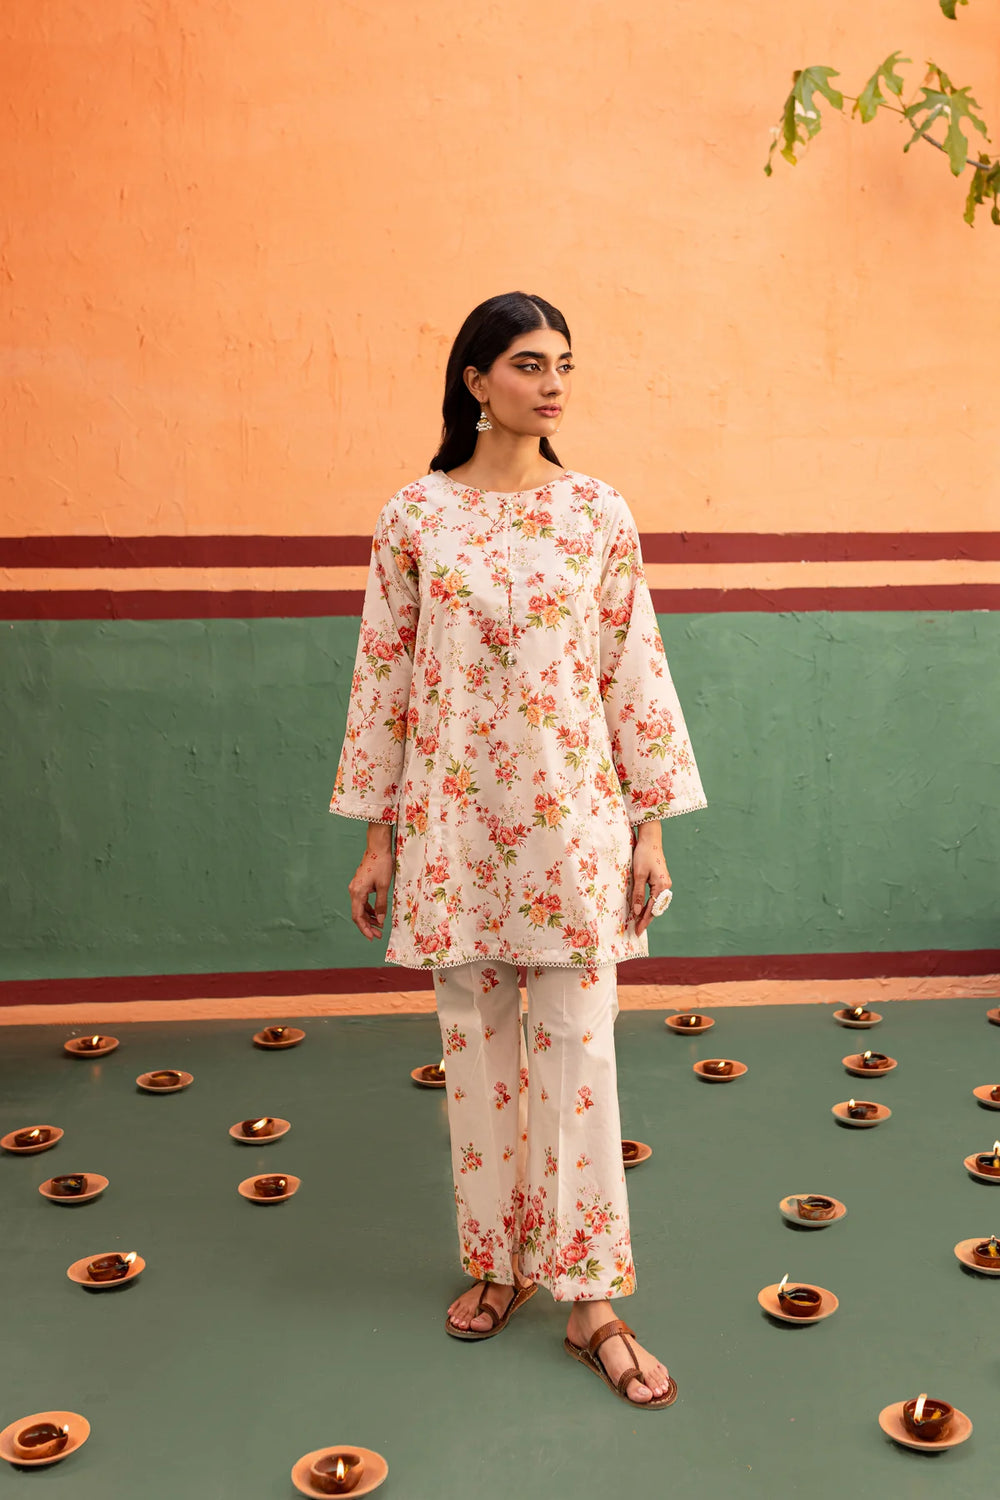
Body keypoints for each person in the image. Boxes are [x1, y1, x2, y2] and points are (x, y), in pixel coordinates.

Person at [329, 291, 708, 1409]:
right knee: (477, 1058)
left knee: (581, 1061)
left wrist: (647, 829)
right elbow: (385, 685)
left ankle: (587, 1297)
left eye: (565, 365)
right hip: (452, 833)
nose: (553, 383)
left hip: (574, 828)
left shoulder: (596, 514)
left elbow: (631, 673)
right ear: (475, 381)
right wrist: (376, 843)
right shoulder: (414, 518)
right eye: (529, 363)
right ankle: (494, 1263)